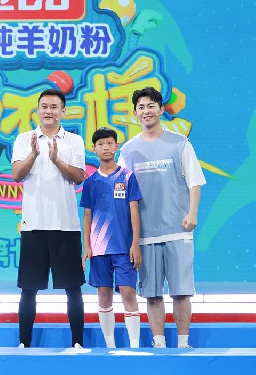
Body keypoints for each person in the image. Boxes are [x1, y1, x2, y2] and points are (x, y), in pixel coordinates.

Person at [118, 86, 206, 348]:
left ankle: (183, 343)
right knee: (152, 294)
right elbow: (122, 193)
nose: (146, 111)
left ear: (161, 109)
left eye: (151, 106)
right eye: (141, 107)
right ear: (135, 113)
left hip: (178, 230)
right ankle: (159, 343)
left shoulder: (179, 143)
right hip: (145, 235)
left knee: (181, 291)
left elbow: (195, 181)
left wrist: (192, 213)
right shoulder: (128, 150)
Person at [11, 89, 86, 348]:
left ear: (63, 111)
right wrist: (34, 154)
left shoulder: (74, 141)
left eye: (54, 107)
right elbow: (17, 175)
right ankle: (24, 343)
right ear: (37, 110)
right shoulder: (24, 139)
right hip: (33, 225)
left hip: (66, 225)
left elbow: (79, 176)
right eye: (44, 106)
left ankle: (77, 343)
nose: (48, 111)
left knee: (73, 287)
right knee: (28, 289)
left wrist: (56, 160)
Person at [81, 127, 142, 348]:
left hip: (125, 248)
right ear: (94, 149)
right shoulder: (90, 181)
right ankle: (110, 346)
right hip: (99, 250)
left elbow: (134, 210)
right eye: (101, 144)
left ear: (117, 146)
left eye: (109, 143)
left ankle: (134, 346)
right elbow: (87, 215)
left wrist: (135, 244)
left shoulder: (128, 177)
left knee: (128, 293)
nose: (105, 147)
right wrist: (87, 246)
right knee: (104, 295)